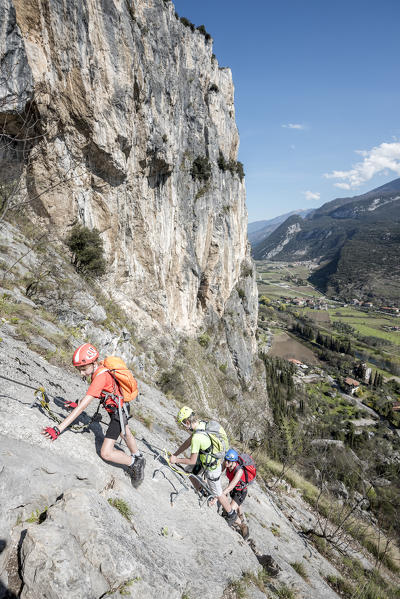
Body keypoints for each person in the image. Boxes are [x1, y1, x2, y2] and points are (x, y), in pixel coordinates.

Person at [41, 343, 145, 487]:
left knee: (106, 453)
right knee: (124, 432)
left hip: (117, 411)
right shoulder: (99, 370)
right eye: (79, 369)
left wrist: (58, 429)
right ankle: (138, 455)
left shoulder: (100, 377)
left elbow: (85, 404)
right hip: (119, 407)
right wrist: (77, 403)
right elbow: (95, 394)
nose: (82, 373)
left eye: (83, 368)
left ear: (94, 363)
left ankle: (135, 463)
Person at [169, 406, 238, 524]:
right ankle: (203, 492)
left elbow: (191, 460)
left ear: (187, 422)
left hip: (211, 468)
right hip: (205, 460)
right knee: (190, 472)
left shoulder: (197, 437)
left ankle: (231, 514)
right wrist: (175, 454)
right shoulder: (201, 425)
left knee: (218, 493)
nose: (183, 427)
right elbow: (187, 442)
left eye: (183, 424)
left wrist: (176, 460)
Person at [221, 448, 252, 539]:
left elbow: (231, 486)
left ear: (234, 461)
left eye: (229, 461)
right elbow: (218, 473)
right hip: (234, 490)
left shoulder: (239, 471)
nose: (226, 462)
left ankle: (243, 526)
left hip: (241, 492)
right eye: (225, 459)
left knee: (228, 512)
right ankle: (241, 516)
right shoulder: (226, 464)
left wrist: (221, 494)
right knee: (234, 504)